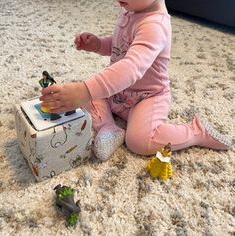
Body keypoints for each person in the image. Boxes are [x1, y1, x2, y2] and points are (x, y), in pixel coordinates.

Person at [40, 0, 231, 161]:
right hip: (118, 91)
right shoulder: (131, 9)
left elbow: (131, 67)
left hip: (147, 97)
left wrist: (84, 91)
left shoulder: (155, 25)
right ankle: (109, 128)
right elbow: (120, 45)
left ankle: (196, 132)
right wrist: (99, 44)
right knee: (90, 92)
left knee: (140, 141)